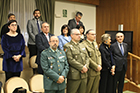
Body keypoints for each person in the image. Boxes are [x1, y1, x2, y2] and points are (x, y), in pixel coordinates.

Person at [63, 29, 89, 93]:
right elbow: (70, 60)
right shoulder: (67, 46)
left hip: (84, 74)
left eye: (80, 34)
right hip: (74, 75)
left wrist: (86, 67)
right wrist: (82, 67)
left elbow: (87, 57)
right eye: (77, 34)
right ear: (72, 35)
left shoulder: (82, 45)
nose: (79, 36)